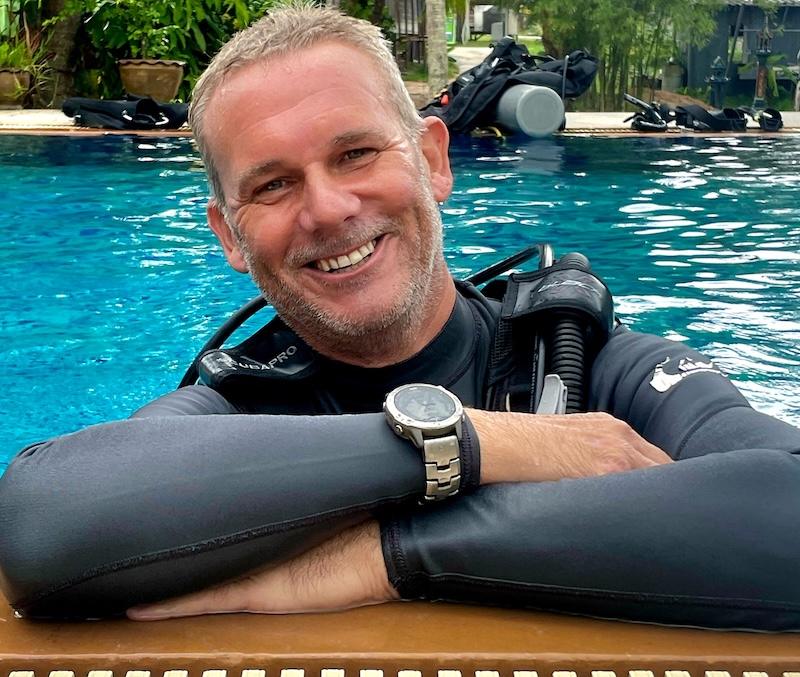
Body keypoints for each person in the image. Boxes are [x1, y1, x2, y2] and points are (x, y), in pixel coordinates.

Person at [2, 2, 800, 631]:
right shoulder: (242, 403)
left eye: (356, 154)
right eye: (272, 185)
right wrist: (484, 442)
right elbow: (47, 523)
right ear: (229, 236)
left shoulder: (594, 365)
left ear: (433, 160)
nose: (327, 208)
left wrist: (390, 555)